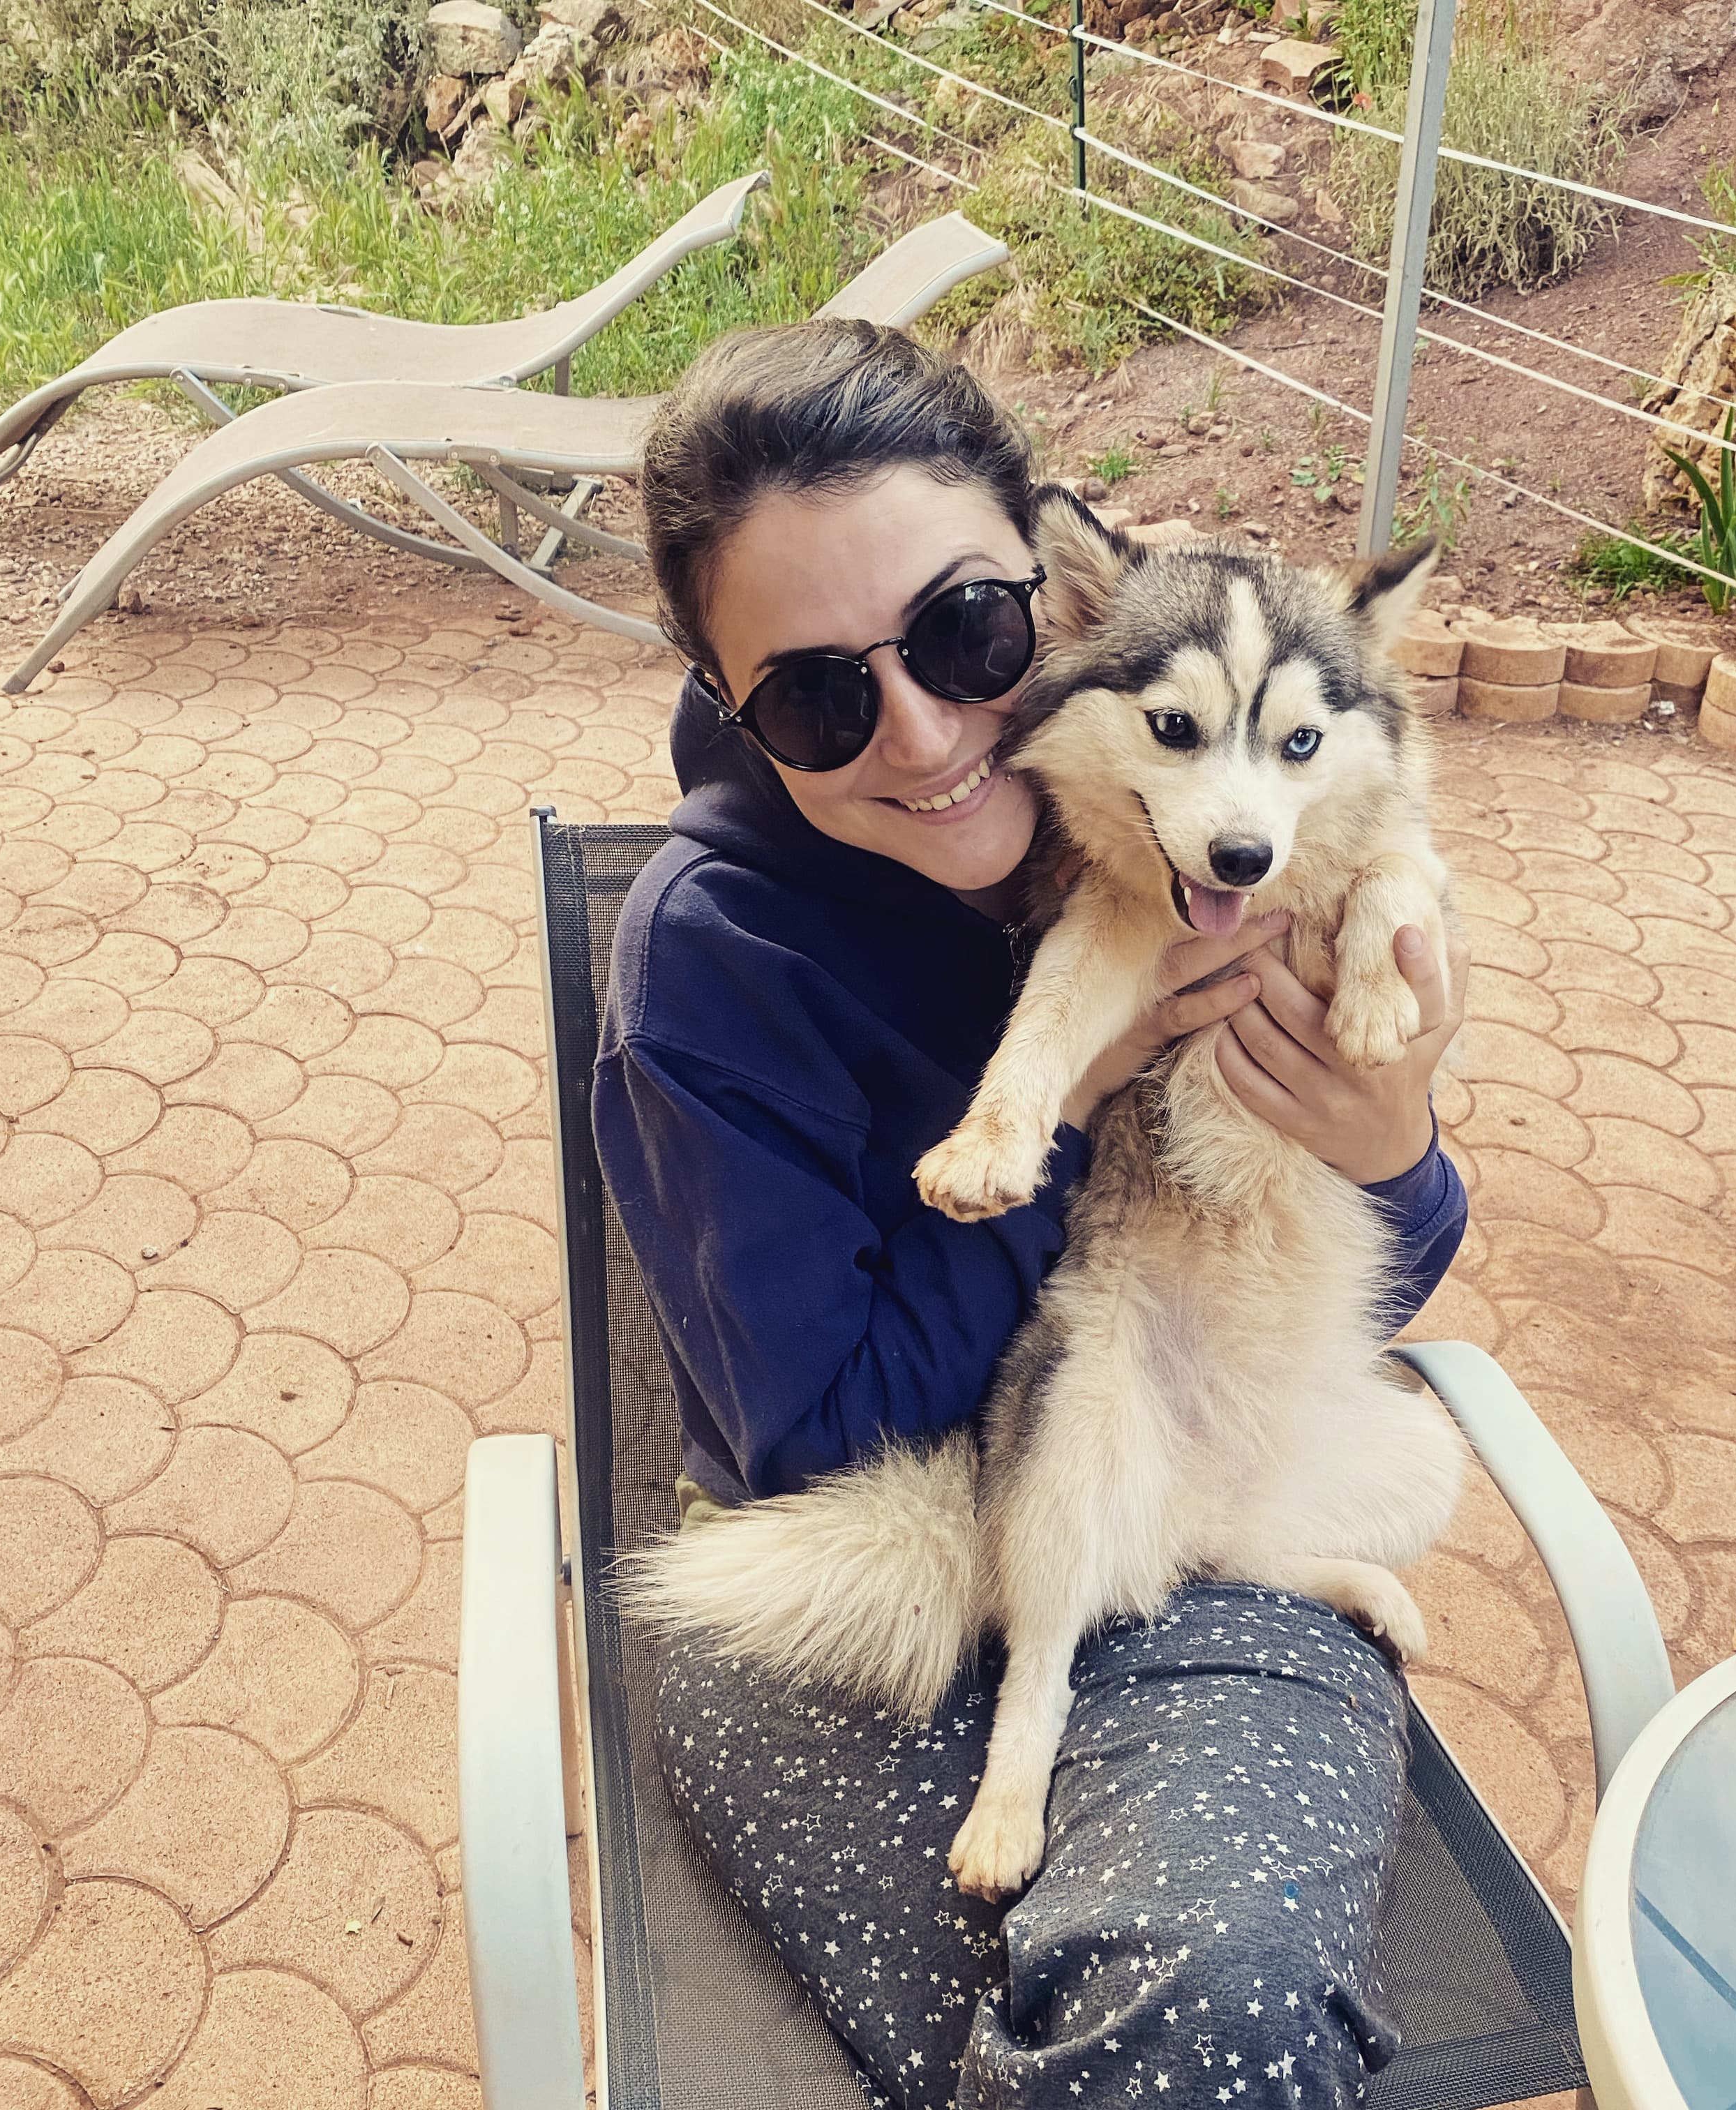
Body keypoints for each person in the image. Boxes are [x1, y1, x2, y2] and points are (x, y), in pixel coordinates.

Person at [594, 319, 1470, 2109]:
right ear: (727, 696)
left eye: (964, 636)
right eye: (820, 697)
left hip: (1210, 1504)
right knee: (1156, 2034)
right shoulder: (711, 963)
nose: (921, 736)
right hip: (884, 1560)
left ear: (1056, 604)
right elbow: (816, 1429)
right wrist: (1063, 1101)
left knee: (1213, 1997)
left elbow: (1354, 1274)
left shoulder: (1194, 811)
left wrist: (1394, 1146)